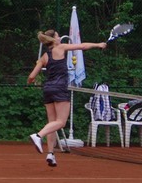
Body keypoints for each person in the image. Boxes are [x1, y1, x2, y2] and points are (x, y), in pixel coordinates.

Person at [27, 29, 107, 167]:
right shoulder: (61, 47)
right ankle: (38, 135)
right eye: (58, 36)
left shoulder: (44, 57)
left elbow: (31, 76)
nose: (60, 38)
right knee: (61, 122)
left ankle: (51, 154)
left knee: (52, 123)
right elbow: (82, 46)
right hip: (59, 89)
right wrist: (98, 45)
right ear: (54, 39)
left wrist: (31, 82)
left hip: (48, 89)